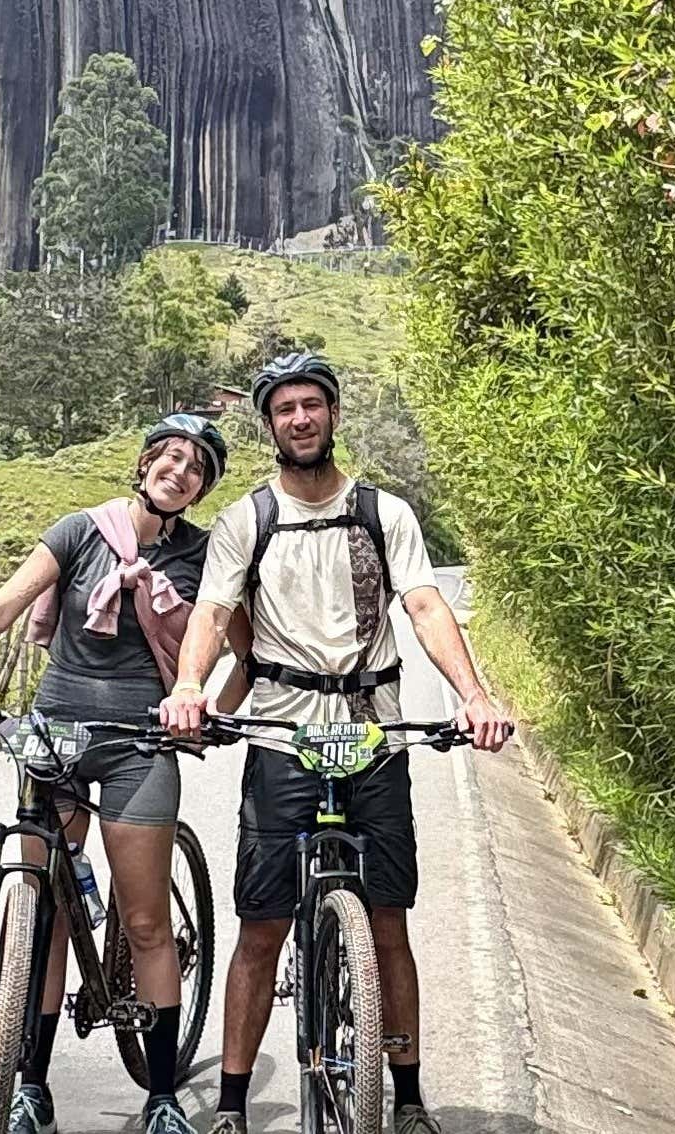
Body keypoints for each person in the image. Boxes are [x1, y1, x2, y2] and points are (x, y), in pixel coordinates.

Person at [157, 353, 515, 1134]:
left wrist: (475, 696)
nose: (300, 419)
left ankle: (410, 1096)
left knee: (388, 920)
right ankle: (230, 1106)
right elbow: (213, 619)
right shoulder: (247, 521)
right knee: (261, 927)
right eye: (285, 409)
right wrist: (190, 688)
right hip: (284, 740)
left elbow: (423, 606)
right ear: (270, 425)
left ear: (333, 415)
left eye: (312, 405)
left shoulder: (384, 514)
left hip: (375, 739)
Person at [0, 414, 233, 1134]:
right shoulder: (79, 531)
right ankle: (29, 1084)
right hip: (56, 734)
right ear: (145, 463)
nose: (180, 471)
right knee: (46, 914)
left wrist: (207, 706)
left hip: (138, 743)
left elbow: (233, 635)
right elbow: (3, 604)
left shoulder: (204, 553)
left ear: (201, 490)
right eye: (171, 457)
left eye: (197, 468)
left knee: (147, 920)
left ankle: (161, 1097)